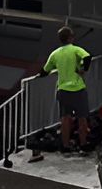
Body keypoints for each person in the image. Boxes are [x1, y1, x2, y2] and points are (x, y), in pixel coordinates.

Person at [32, 25, 93, 160]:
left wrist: (37, 76)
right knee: (82, 118)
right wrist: (83, 70)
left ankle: (65, 146)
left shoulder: (55, 54)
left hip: (63, 90)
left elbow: (45, 71)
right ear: (71, 37)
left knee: (65, 119)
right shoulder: (75, 49)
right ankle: (83, 145)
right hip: (78, 89)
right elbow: (87, 57)